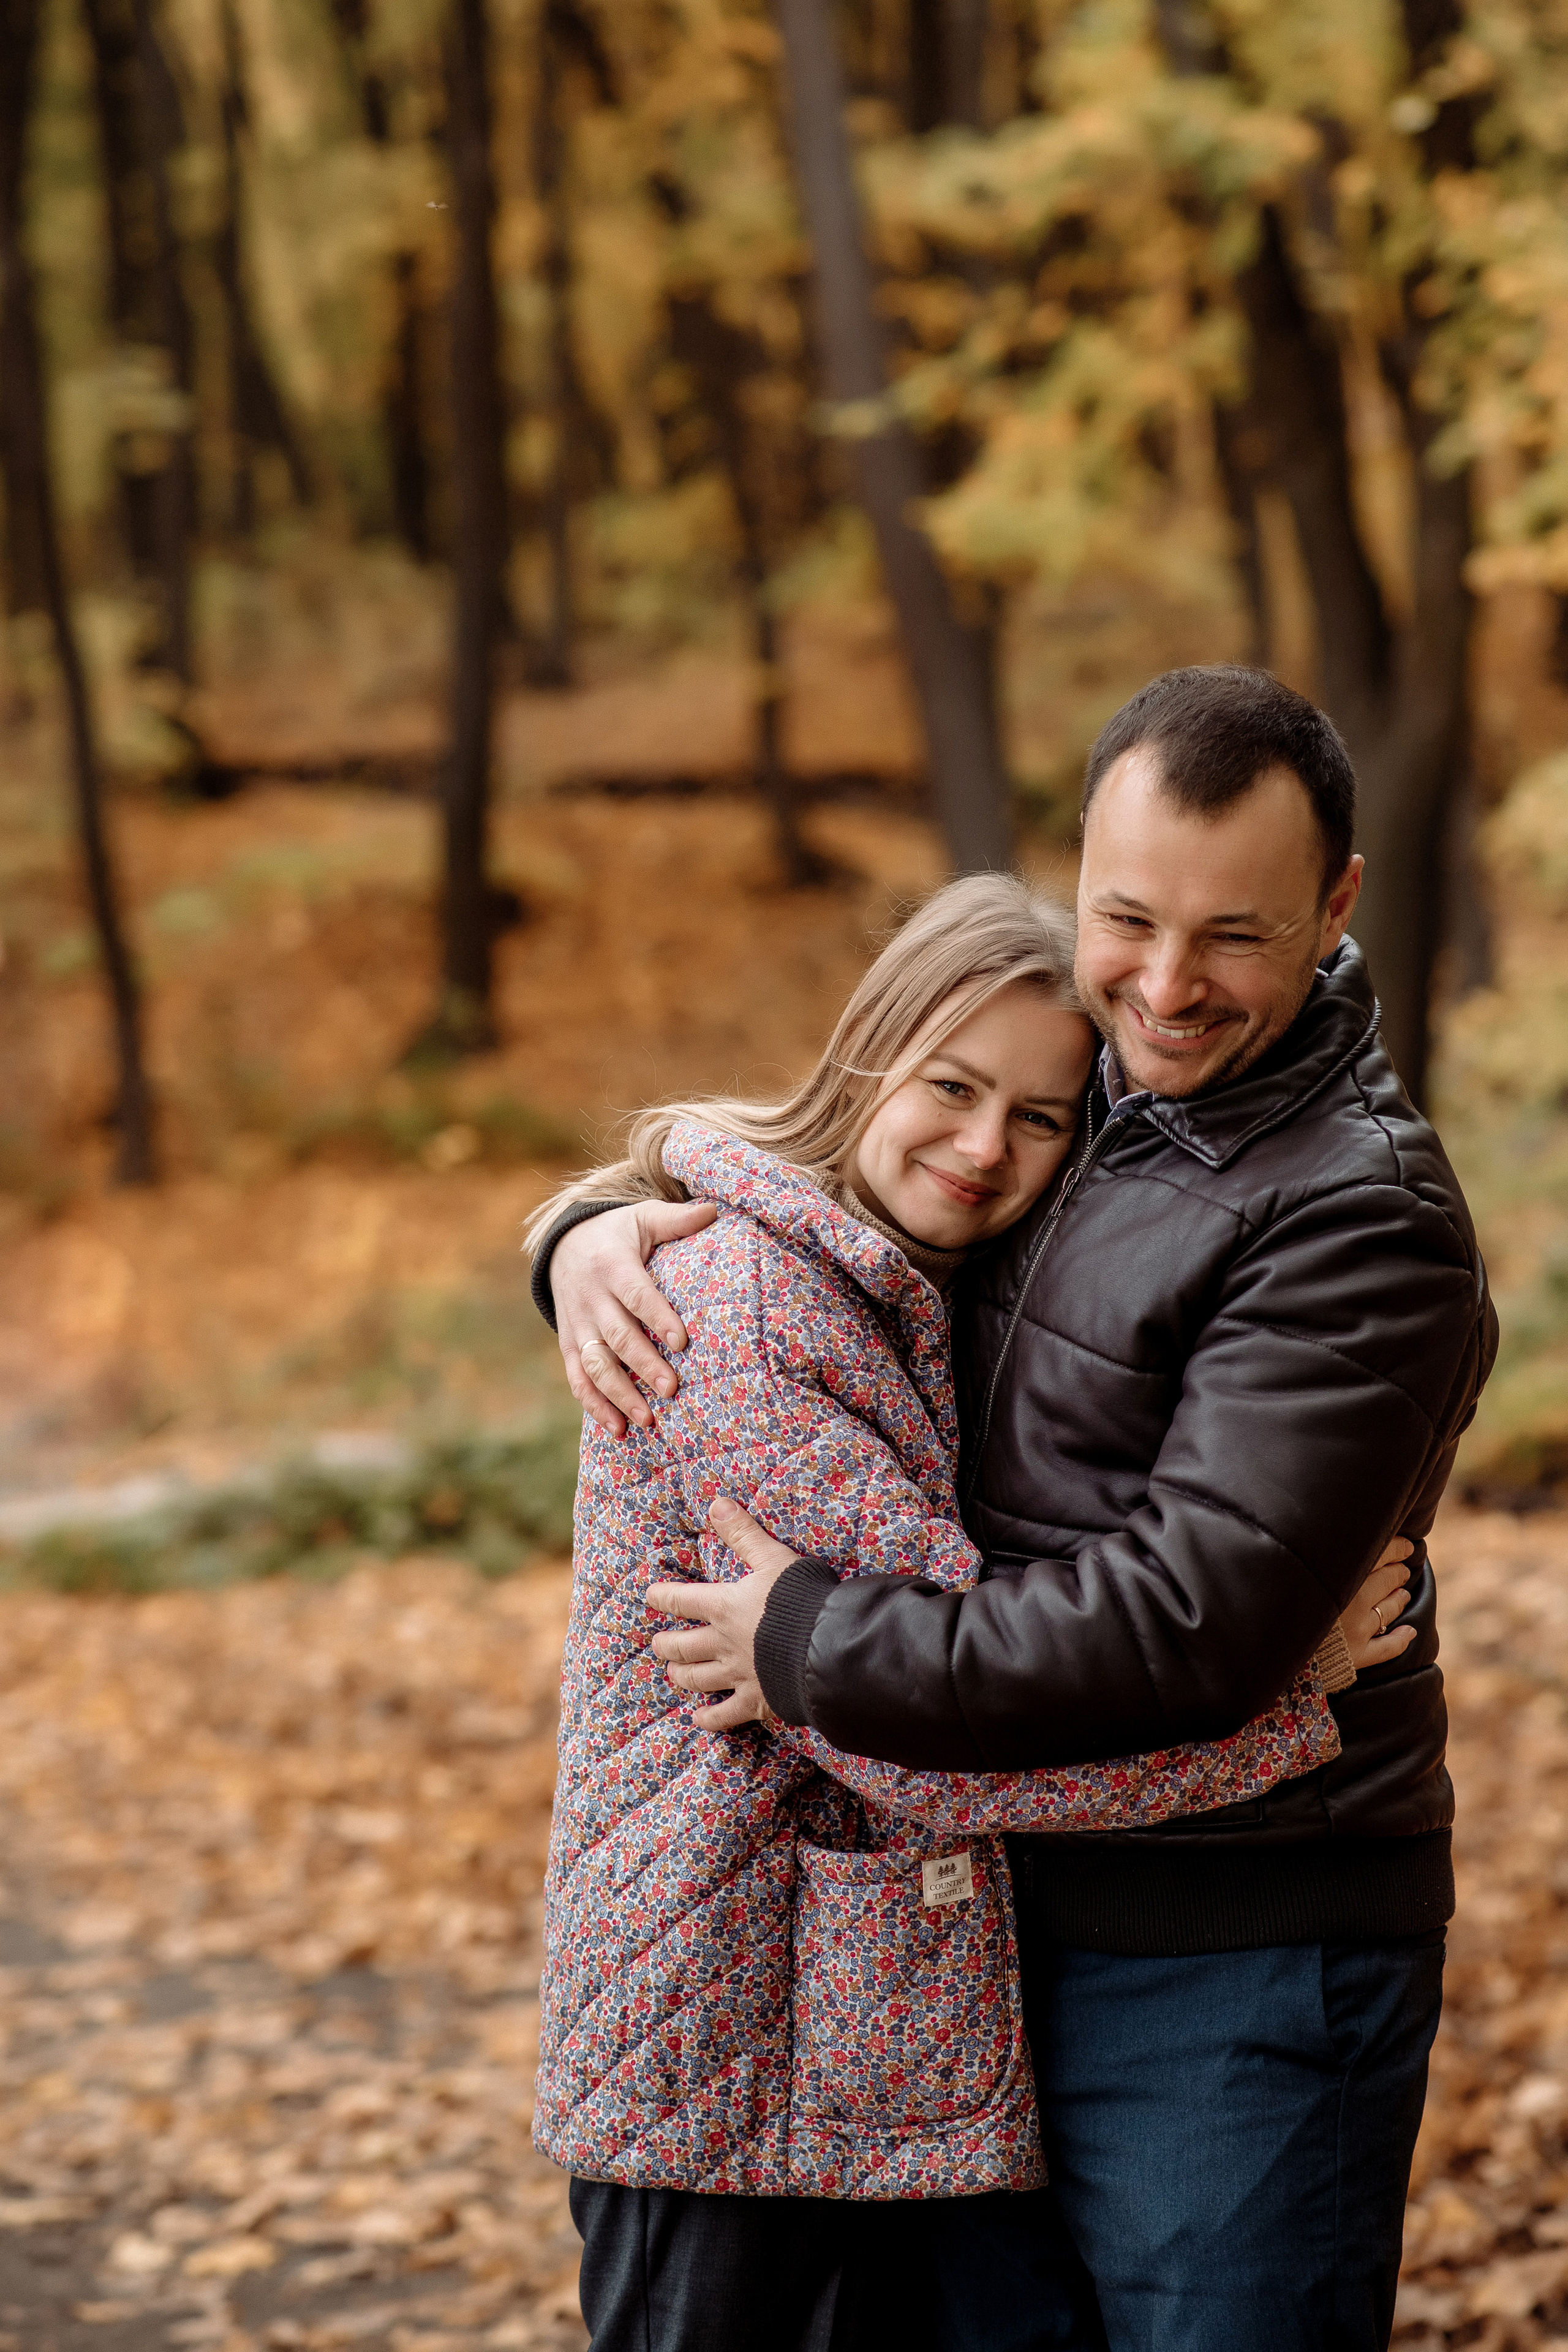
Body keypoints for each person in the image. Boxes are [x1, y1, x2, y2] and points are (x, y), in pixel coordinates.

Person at [533, 667, 1498, 2351]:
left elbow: (1182, 1627)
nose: (1169, 986)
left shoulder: (1355, 1213)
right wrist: (583, 1232)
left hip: (1228, 1954)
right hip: (918, 1947)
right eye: (1130, 920)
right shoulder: (1087, 1082)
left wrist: (812, 1643)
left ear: (1337, 907)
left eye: (1235, 936)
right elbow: (822, 1182)